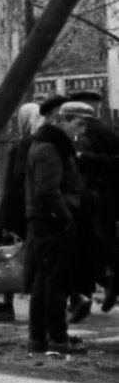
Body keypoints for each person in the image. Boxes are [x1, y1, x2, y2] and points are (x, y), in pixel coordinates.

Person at [24, 100, 92, 355]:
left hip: (45, 220)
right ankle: (57, 338)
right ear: (61, 121)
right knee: (56, 282)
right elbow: (48, 191)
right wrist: (65, 218)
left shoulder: (50, 145)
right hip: (52, 222)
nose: (81, 130)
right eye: (78, 123)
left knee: (45, 280)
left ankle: (39, 338)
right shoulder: (50, 149)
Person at [0, 103, 41, 321]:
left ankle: (7, 306)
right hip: (38, 209)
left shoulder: (24, 146)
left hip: (18, 210)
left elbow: (17, 181)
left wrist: (8, 217)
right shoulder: (47, 143)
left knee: (8, 255)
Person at [68, 90, 119, 316]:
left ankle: (92, 292)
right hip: (96, 198)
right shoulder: (104, 132)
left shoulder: (92, 133)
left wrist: (85, 160)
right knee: (97, 247)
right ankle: (96, 290)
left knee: (95, 246)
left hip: (93, 199)